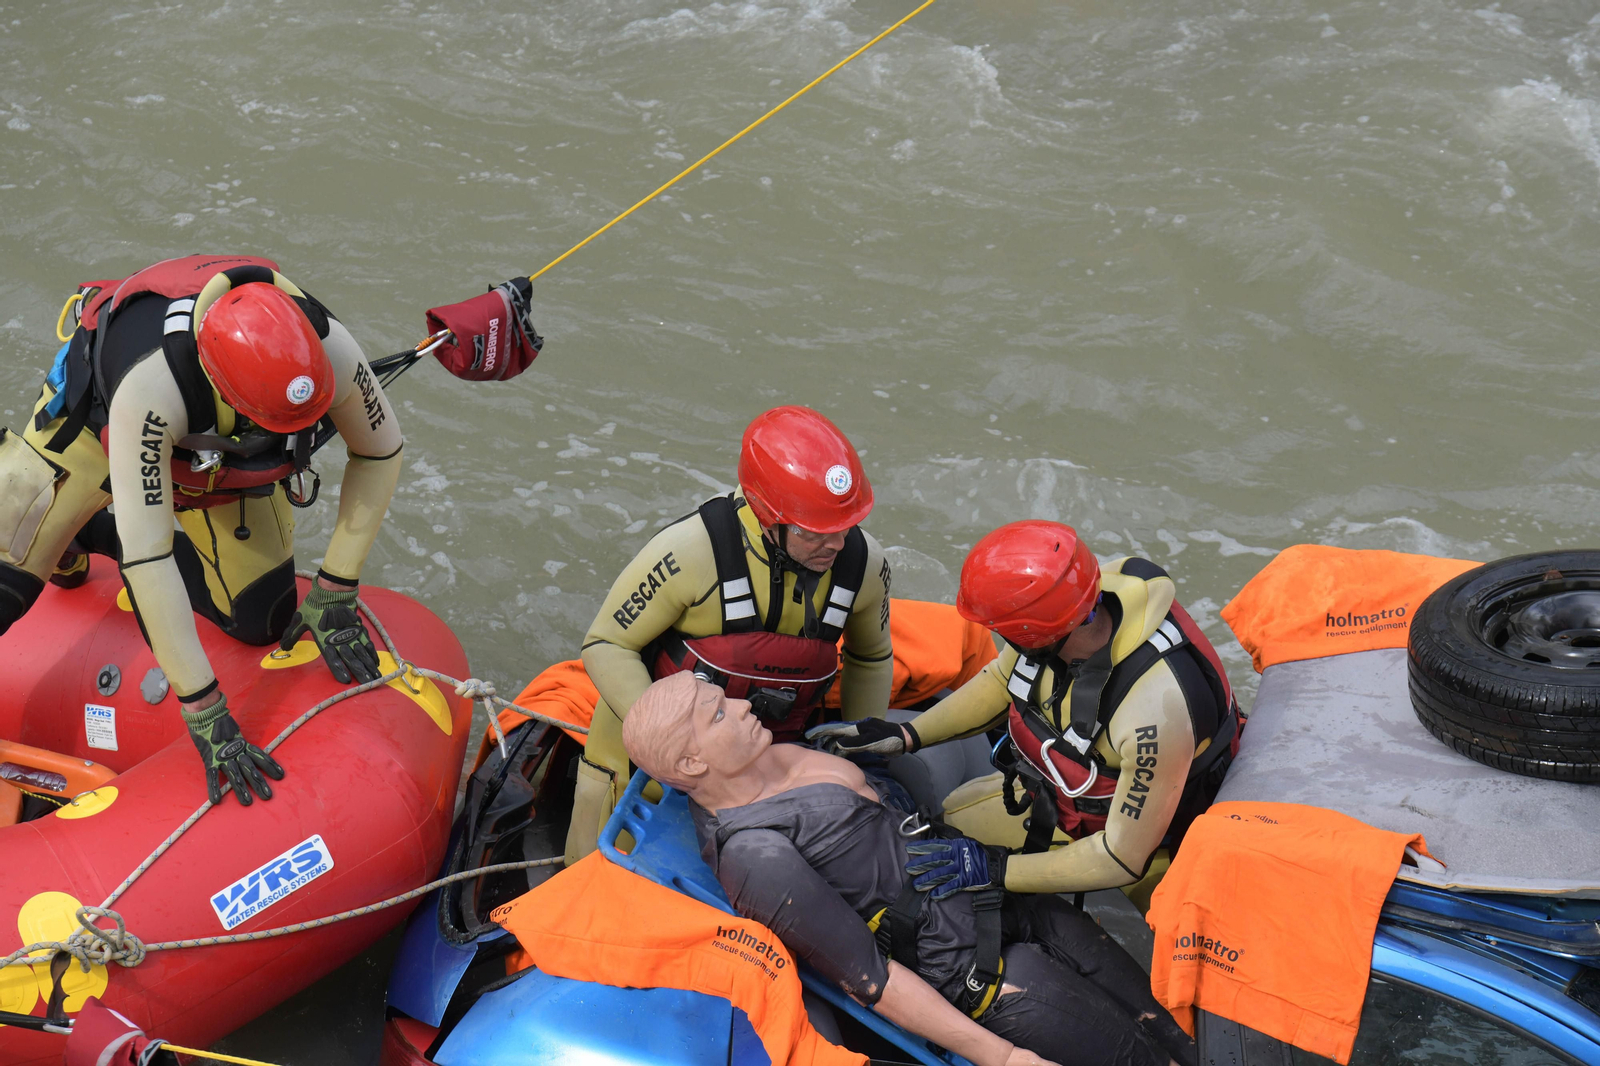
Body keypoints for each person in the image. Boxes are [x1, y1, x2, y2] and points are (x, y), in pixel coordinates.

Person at [622, 672, 1196, 1066]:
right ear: (691, 763)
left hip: (994, 890)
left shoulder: (771, 754)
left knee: (1180, 1029)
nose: (745, 705)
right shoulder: (755, 855)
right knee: (1145, 1060)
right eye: (720, 713)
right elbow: (870, 979)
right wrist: (1001, 1056)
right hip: (980, 971)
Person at [2, 255, 403, 806]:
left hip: (211, 457)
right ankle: (74, 526)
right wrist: (204, 708)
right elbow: (149, 557)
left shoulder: (326, 345)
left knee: (262, 619)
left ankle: (98, 532)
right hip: (91, 428)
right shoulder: (151, 388)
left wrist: (337, 584)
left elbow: (381, 450)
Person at [810, 521, 1239, 909]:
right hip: (1066, 800)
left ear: (1033, 633)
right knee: (953, 819)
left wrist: (996, 870)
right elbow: (1004, 680)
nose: (996, 636)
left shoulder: (1153, 713)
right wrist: (907, 734)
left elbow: (1121, 856)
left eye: (1002, 629)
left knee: (1172, 940)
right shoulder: (1073, 605)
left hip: (1159, 845)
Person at [566, 405, 894, 863]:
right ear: (766, 515)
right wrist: (672, 745)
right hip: (649, 763)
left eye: (846, 526)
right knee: (597, 873)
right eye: (815, 532)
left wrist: (862, 751)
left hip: (765, 756)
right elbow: (607, 643)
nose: (837, 544)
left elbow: (871, 658)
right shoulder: (690, 553)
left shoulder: (864, 565)